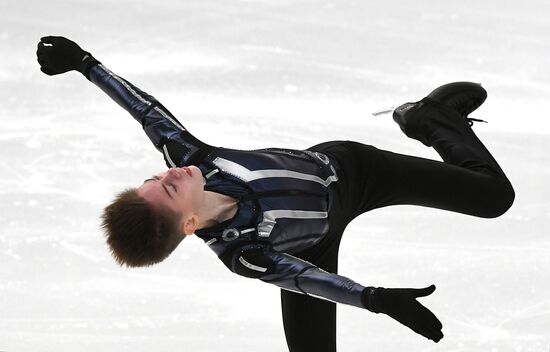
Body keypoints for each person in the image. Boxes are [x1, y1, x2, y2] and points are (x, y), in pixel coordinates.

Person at [36, 35, 515, 352]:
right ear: (187, 225)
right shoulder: (243, 251)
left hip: (354, 171)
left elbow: (145, 111)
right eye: (168, 189)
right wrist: (375, 298)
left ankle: (430, 118)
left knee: (495, 198)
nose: (170, 174)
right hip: (312, 248)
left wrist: (84, 64)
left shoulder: (192, 158)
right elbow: (309, 280)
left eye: (155, 178)